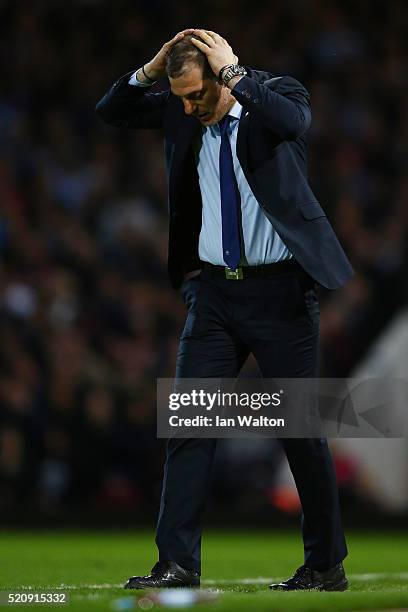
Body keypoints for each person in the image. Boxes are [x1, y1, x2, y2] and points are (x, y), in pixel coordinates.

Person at [96, 28, 352, 592]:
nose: (187, 108)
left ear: (223, 75)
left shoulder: (272, 96)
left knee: (300, 432)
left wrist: (234, 74)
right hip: (213, 295)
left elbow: (296, 123)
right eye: (180, 97)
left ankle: (325, 564)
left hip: (281, 294)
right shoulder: (185, 109)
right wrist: (154, 66)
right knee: (190, 425)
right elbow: (112, 110)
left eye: (197, 95)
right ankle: (177, 562)